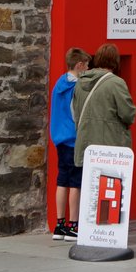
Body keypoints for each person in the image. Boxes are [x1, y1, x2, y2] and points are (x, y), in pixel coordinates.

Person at [72, 43, 136, 167]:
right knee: (110, 185)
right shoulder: (116, 83)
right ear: (115, 61)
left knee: (88, 185)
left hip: (86, 147)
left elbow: (76, 113)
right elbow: (128, 115)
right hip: (109, 150)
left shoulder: (80, 82)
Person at [49, 47, 90, 241]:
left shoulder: (59, 83)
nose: (88, 69)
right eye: (87, 65)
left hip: (59, 137)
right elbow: (76, 113)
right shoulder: (77, 87)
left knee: (62, 180)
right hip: (73, 139)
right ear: (80, 65)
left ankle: (60, 224)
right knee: (76, 182)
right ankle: (73, 225)